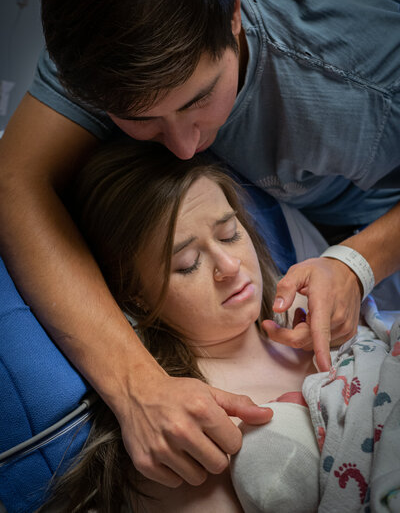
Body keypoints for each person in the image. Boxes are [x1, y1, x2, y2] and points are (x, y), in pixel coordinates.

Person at [0, 0, 399, 488]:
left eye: (199, 99)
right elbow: (15, 181)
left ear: (234, 8)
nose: (185, 148)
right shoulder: (102, 28)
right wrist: (135, 388)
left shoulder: (364, 73)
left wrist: (359, 260)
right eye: (140, 119)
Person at [38, 140, 399, 513]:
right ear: (136, 296)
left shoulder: (324, 308)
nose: (229, 265)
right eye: (188, 263)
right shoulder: (186, 425)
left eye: (229, 234)